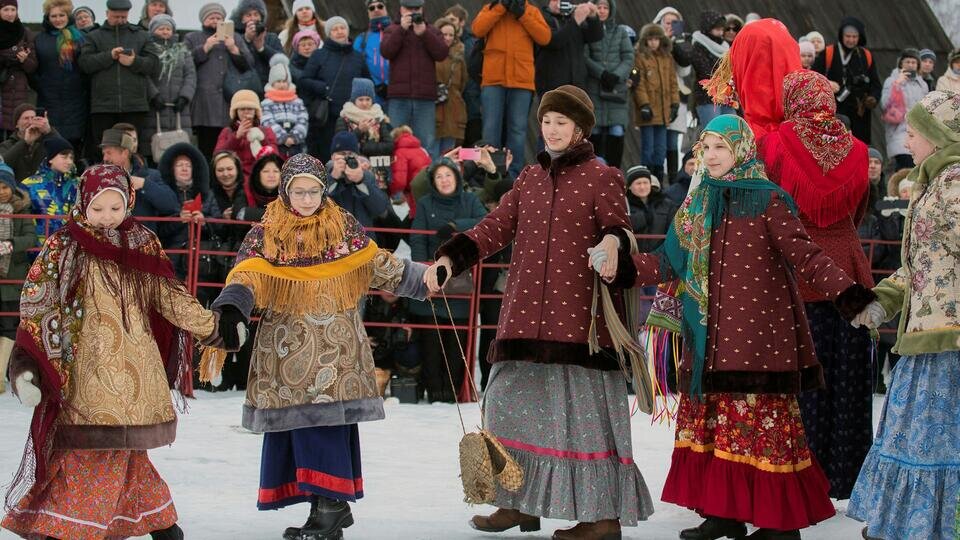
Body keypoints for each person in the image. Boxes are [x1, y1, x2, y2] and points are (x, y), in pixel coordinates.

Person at [610, 114, 876, 540]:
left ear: (742, 150)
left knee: (758, 429)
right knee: (717, 429)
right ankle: (723, 514)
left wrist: (850, 296)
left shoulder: (768, 199)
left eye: (721, 147)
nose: (711, 155)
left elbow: (806, 255)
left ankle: (778, 526)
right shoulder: (695, 204)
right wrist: (621, 269)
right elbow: (666, 263)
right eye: (706, 147)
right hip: (707, 340)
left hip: (758, 341)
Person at [427, 85, 654, 539]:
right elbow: (495, 227)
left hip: (579, 325)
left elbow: (618, 229)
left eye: (561, 122)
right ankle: (517, 503)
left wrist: (611, 245)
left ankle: (601, 519)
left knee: (583, 423)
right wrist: (451, 258)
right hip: (523, 317)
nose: (551, 129)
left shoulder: (602, 176)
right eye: (546, 121)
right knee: (506, 408)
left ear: (580, 129)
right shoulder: (529, 177)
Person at [200, 152, 430, 540]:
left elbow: (378, 264)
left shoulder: (342, 226)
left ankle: (332, 507)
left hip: (336, 350)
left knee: (325, 427)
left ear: (324, 191)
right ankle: (321, 508)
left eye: (314, 191)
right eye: (298, 191)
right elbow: (245, 276)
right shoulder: (267, 232)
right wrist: (232, 308)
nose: (307, 199)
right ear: (285, 192)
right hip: (286, 349)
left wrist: (424, 279)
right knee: (297, 431)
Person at [2, 163, 218, 540]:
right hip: (85, 371)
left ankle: (94, 526)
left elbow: (168, 295)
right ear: (83, 204)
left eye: (115, 208)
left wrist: (211, 327)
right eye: (98, 208)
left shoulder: (142, 242)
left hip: (135, 369)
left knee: (123, 450)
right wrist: (29, 360)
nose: (106, 217)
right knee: (92, 448)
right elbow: (38, 301)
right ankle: (148, 524)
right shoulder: (63, 246)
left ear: (128, 203)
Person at [756, 70, 876, 502]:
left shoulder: (774, 144)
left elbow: (765, 205)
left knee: (801, 381)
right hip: (849, 271)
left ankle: (798, 478)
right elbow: (859, 210)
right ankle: (846, 475)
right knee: (849, 379)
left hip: (795, 268)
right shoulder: (858, 149)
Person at [847, 91, 960, 540]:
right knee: (913, 434)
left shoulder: (954, 183)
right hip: (924, 334)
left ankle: (938, 524)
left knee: (935, 438)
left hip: (949, 340)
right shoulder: (933, 181)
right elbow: (920, 265)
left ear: (938, 135)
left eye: (913, 133)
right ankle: (905, 520)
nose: (906, 141)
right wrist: (882, 300)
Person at [408, 158, 486, 402]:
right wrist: (423, 269)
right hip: (432, 276)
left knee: (456, 341)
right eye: (439, 176)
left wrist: (455, 226)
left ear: (457, 178)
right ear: (433, 182)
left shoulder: (469, 200)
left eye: (448, 175)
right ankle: (434, 391)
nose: (444, 180)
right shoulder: (425, 203)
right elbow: (417, 238)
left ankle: (453, 391)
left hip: (460, 278)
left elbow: (485, 221)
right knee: (431, 340)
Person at [472, 0, 550, 179]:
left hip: (521, 81)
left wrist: (522, 14)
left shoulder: (530, 11)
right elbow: (477, 29)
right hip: (493, 80)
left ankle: (513, 176)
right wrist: (500, 7)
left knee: (517, 130)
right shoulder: (492, 8)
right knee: (490, 130)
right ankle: (490, 174)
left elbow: (545, 37)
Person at [78, 0, 159, 162]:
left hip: (134, 105)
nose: (120, 20)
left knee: (132, 151)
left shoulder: (141, 35)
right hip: (103, 106)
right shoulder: (93, 36)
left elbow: (154, 65)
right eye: (116, 17)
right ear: (107, 14)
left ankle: (133, 177)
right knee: (103, 151)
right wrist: (109, 56)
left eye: (123, 17)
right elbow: (84, 64)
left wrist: (134, 62)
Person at [186, 3, 256, 158]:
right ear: (203, 20)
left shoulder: (235, 37)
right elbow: (185, 63)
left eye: (219, 18)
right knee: (206, 149)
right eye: (211, 17)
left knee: (230, 148)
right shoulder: (192, 37)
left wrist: (233, 49)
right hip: (204, 104)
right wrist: (205, 48)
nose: (215, 21)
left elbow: (249, 65)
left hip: (229, 102)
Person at [380, 0, 449, 158]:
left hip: (425, 98)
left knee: (426, 144)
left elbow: (442, 54)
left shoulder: (431, 30)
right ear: (401, 9)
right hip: (399, 97)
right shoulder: (392, 29)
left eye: (416, 8)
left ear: (422, 9)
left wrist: (424, 34)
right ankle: (396, 174)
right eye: (409, 8)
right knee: (394, 141)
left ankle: (425, 174)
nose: (412, 12)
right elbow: (386, 52)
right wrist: (401, 30)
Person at [300, 16, 369, 162]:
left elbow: (367, 82)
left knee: (353, 156)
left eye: (342, 28)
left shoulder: (357, 57)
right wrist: (323, 88)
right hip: (328, 117)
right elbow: (304, 80)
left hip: (353, 116)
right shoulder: (319, 55)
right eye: (335, 29)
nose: (339, 31)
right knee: (328, 156)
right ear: (329, 34)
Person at [812, 17, 881, 144]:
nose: (851, 40)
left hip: (859, 114)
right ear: (841, 36)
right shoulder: (828, 53)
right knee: (833, 145)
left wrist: (873, 98)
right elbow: (812, 77)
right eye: (848, 36)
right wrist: (826, 83)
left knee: (858, 147)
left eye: (854, 37)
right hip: (833, 111)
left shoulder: (865, 56)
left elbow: (876, 84)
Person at [99, 128, 179, 237]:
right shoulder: (97, 177)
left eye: (109, 153)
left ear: (125, 153)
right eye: (103, 153)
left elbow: (171, 205)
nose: (105, 158)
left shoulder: (150, 176)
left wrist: (144, 184)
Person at [583, 0, 633, 169]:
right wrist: (601, 73)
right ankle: (594, 173)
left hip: (616, 91)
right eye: (599, 7)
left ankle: (614, 174)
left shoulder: (621, 32)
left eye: (606, 7)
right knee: (594, 132)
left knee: (616, 131)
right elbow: (584, 57)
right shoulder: (587, 30)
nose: (602, 10)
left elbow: (628, 57)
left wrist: (616, 75)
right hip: (594, 89)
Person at [33, 0, 88, 153]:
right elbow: (34, 70)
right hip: (48, 98)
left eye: (61, 15)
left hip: (76, 99)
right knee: (50, 143)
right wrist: (42, 86)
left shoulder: (80, 38)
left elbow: (86, 68)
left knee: (74, 144)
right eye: (54, 16)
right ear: (48, 17)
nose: (58, 19)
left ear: (68, 16)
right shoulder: (39, 39)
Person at [158, 141, 219, 276]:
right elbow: (158, 229)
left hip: (201, 259)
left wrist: (204, 222)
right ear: (172, 169)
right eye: (179, 165)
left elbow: (220, 226)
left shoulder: (208, 195)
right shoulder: (164, 195)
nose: (184, 168)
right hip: (171, 257)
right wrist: (178, 220)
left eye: (188, 165)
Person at [142, 14, 196, 165]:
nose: (165, 31)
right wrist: (153, 95)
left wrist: (185, 96)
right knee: (154, 150)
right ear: (152, 31)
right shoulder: (147, 50)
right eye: (161, 28)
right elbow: (144, 75)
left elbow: (190, 75)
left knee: (179, 153)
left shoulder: (183, 51)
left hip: (179, 109)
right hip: (155, 108)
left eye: (168, 28)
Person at [653, 6, 695, 182]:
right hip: (656, 96)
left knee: (672, 142)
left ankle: (672, 181)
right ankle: (655, 180)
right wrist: (664, 41)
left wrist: (677, 45)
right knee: (657, 143)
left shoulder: (681, 41)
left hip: (676, 96)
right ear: (660, 23)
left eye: (674, 23)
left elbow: (684, 72)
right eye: (667, 22)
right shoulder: (651, 40)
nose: (670, 26)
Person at [631, 23, 678, 179]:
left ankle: (658, 181)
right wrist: (644, 104)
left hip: (664, 111)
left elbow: (673, 82)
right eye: (650, 39)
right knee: (648, 149)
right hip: (648, 111)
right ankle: (646, 179)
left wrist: (675, 104)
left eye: (656, 39)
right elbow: (638, 84)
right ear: (645, 40)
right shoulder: (639, 57)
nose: (653, 43)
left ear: (661, 40)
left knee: (661, 149)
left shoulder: (667, 57)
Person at [325, 131, 389, 238]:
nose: (346, 158)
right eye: (342, 154)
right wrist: (333, 178)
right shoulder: (323, 176)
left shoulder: (367, 176)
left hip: (364, 240)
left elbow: (381, 210)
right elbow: (317, 207)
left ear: (357, 157)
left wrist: (360, 181)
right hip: (334, 239)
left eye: (351, 155)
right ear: (332, 157)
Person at [20, 135, 78, 246]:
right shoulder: (30, 184)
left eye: (71, 157)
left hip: (69, 247)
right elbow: (22, 219)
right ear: (50, 158)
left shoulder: (77, 184)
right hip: (38, 248)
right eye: (64, 157)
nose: (69, 161)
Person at [535, 0, 603, 96]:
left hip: (577, 83)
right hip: (551, 84)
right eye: (555, 0)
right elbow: (554, 41)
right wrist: (575, 21)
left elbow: (595, 36)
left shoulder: (572, 19)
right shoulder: (541, 17)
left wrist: (593, 18)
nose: (558, 3)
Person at [0, 162, 35, 341]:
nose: (1, 192)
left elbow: (31, 238)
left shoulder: (22, 209)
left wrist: (11, 244)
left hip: (13, 276)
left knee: (10, 327)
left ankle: (6, 358)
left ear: (12, 187)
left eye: (5, 187)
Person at [214, 90, 278, 182]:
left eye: (250, 109)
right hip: (235, 179)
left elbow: (274, 156)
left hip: (260, 178)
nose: (246, 112)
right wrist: (236, 137)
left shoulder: (266, 131)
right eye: (242, 109)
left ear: (255, 111)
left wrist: (263, 140)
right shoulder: (227, 132)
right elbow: (218, 155)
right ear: (236, 112)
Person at [882, 48, 930, 170]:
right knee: (905, 167)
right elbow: (884, 104)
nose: (910, 65)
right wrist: (897, 84)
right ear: (901, 64)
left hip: (918, 133)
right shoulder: (892, 80)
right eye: (907, 62)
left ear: (918, 65)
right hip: (898, 132)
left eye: (913, 62)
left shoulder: (922, 84)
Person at [0, 1, 37, 140]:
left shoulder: (25, 33)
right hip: (2, 88)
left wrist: (24, 60)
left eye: (13, 9)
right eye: (5, 10)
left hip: (20, 90)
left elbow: (33, 66)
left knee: (17, 135)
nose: (10, 13)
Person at [433, 17, 468, 158]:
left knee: (450, 154)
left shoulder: (459, 58)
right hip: (435, 108)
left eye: (451, 35)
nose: (447, 38)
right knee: (432, 152)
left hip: (454, 109)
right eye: (444, 34)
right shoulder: (430, 54)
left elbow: (463, 82)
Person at [690, 10, 732, 127]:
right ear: (708, 28)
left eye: (722, 29)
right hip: (707, 97)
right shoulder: (698, 46)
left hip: (727, 96)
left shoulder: (724, 47)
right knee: (714, 130)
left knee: (730, 131)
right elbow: (705, 72)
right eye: (717, 29)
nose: (720, 33)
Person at [335, 78, 394, 160]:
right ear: (354, 100)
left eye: (368, 99)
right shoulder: (344, 119)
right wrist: (359, 130)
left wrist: (364, 147)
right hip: (351, 163)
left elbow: (389, 145)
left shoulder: (379, 117)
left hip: (375, 164)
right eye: (361, 99)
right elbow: (341, 144)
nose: (364, 103)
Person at [0, 105, 63, 182]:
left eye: (33, 118)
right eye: (26, 118)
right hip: (16, 188)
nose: (30, 122)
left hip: (43, 187)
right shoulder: (7, 145)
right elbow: (3, 164)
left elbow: (64, 151)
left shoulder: (47, 141)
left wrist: (49, 131)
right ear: (17, 124)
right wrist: (25, 142)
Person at [261, 55, 308, 156]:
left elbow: (303, 119)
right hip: (276, 144)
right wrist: (283, 137)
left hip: (296, 143)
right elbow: (267, 122)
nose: (282, 85)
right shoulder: (267, 103)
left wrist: (295, 136)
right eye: (278, 81)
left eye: (284, 81)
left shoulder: (297, 101)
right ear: (272, 83)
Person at [624, 165, 677, 252]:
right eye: (638, 183)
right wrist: (643, 217)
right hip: (633, 256)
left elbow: (674, 231)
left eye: (645, 183)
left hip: (661, 256)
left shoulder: (667, 205)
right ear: (629, 186)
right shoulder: (623, 205)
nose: (642, 187)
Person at [230, 0, 283, 87]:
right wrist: (246, 40)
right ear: (242, 19)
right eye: (248, 15)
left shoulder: (272, 37)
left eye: (256, 14)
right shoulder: (236, 39)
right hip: (247, 87)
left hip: (272, 85)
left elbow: (282, 61)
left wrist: (262, 48)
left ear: (261, 17)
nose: (253, 18)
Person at [354, 0, 391, 106]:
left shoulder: (398, 33)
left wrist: (389, 84)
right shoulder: (362, 39)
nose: (376, 9)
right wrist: (374, 85)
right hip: (373, 94)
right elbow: (356, 65)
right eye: (372, 8)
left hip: (397, 91)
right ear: (368, 13)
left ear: (386, 9)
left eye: (380, 6)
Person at [390, 125, 431, 215]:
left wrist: (390, 191)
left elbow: (400, 181)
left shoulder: (399, 153)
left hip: (414, 191)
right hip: (427, 186)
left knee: (416, 216)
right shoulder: (421, 150)